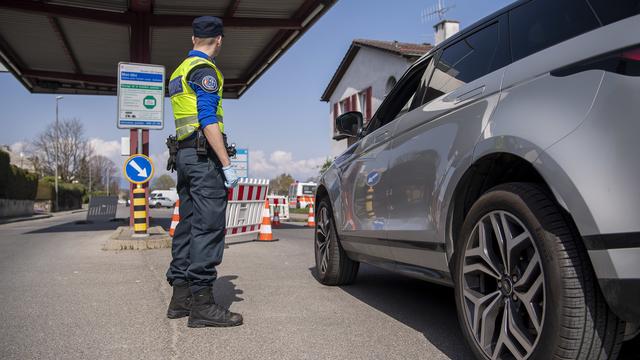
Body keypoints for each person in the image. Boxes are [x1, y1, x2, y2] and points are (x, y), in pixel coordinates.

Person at [165, 16, 242, 328]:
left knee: (187, 225)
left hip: (183, 157)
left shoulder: (180, 70)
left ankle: (180, 298)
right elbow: (208, 119)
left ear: (193, 37)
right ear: (219, 40)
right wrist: (226, 163)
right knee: (208, 227)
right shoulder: (205, 70)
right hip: (202, 159)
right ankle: (203, 305)